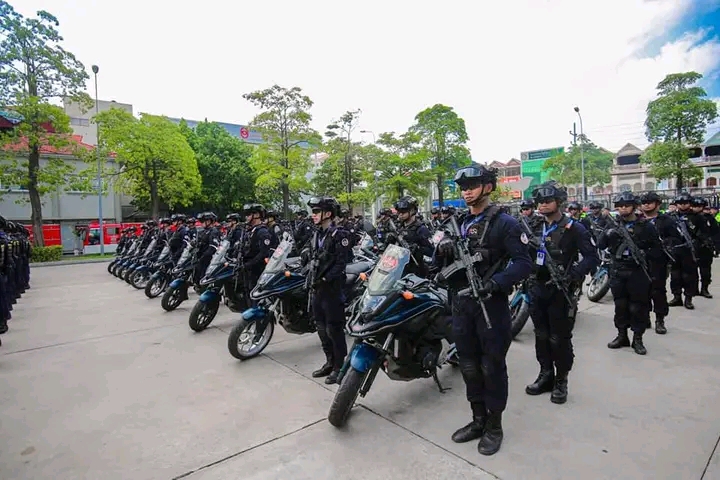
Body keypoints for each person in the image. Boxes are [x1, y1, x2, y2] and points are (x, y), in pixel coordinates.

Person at [436, 163, 532, 456]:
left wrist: (496, 283)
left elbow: (523, 263)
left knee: (492, 367)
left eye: (472, 186)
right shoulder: (456, 223)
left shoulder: (506, 223)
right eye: (463, 188)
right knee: (468, 366)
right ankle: (478, 419)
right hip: (461, 305)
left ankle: (494, 426)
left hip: (490, 305)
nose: (466, 192)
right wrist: (441, 250)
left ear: (488, 187)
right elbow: (435, 261)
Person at [522, 181, 598, 404]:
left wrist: (574, 274)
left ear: (559, 202)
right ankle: (545, 374)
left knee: (559, 338)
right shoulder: (533, 226)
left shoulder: (575, 228)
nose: (543, 205)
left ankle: (561, 380)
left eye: (548, 201)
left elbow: (592, 256)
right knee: (541, 335)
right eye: (540, 201)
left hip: (560, 291)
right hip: (537, 288)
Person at [599, 192, 662, 355]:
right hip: (618, 269)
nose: (622, 209)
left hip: (637, 271)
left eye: (626, 205)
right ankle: (622, 335)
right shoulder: (612, 224)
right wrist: (608, 233)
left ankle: (638, 339)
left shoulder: (645, 226)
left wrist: (643, 254)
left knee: (637, 307)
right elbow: (600, 244)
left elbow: (657, 249)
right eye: (619, 206)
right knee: (620, 305)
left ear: (634, 207)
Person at [306, 196, 351, 385]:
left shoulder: (340, 234)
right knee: (321, 327)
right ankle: (330, 362)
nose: (313, 215)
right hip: (317, 288)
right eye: (313, 211)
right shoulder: (318, 234)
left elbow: (341, 263)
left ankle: (340, 366)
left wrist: (325, 279)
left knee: (334, 329)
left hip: (332, 289)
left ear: (328, 213)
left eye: (317, 211)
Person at [639, 192, 680, 334]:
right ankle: (645, 318)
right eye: (644, 203)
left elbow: (676, 238)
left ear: (657, 205)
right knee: (641, 291)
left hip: (658, 261)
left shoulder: (666, 220)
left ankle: (660, 320)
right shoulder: (637, 220)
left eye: (649, 202)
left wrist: (665, 244)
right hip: (639, 261)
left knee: (658, 291)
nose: (646, 205)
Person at [391, 196, 434, 277]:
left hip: (415, 271)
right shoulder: (399, 228)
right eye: (399, 212)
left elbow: (431, 252)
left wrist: (417, 248)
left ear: (412, 211)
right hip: (399, 268)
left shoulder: (421, 229)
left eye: (403, 212)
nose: (400, 215)